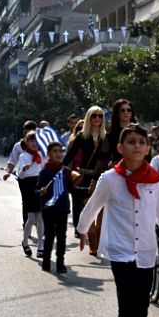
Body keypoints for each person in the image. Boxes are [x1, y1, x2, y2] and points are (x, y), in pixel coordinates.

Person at [77, 124, 159, 317]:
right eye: (131, 141)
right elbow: (92, 206)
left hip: (146, 254)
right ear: (120, 147)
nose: (137, 146)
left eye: (142, 142)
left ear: (148, 147)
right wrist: (83, 230)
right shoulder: (110, 179)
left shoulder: (156, 180)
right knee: (127, 309)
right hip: (121, 253)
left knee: (140, 311)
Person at [63, 106, 110, 248]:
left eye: (100, 116)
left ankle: (97, 234)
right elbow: (68, 157)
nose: (97, 118)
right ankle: (92, 241)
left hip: (102, 176)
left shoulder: (106, 137)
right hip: (85, 175)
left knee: (101, 208)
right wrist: (58, 169)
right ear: (89, 118)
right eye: (94, 116)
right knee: (87, 206)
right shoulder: (82, 136)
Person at [38, 142, 73, 273]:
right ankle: (46, 261)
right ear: (48, 154)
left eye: (60, 151)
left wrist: (89, 190)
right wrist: (40, 191)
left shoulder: (65, 171)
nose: (58, 154)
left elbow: (72, 190)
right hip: (49, 209)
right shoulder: (44, 172)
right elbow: (37, 190)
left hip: (62, 208)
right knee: (50, 235)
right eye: (55, 151)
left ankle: (60, 263)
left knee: (62, 236)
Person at [3, 121, 37, 227]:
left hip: (38, 177)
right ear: (24, 131)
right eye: (28, 130)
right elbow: (12, 161)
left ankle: (39, 223)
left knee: (39, 201)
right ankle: (26, 224)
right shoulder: (18, 146)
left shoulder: (42, 144)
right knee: (26, 202)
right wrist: (8, 172)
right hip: (24, 178)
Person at [17, 131, 45, 258]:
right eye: (32, 141)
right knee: (31, 218)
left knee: (40, 217)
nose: (34, 143)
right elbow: (20, 176)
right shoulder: (23, 156)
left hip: (39, 186)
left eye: (36, 141)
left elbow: (44, 170)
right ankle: (25, 241)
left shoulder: (41, 155)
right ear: (27, 142)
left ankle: (40, 245)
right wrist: (24, 169)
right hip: (28, 186)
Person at [107, 99, 136, 164]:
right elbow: (105, 155)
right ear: (117, 113)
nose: (126, 112)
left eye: (129, 110)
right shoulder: (111, 133)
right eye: (122, 110)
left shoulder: (138, 131)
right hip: (118, 166)